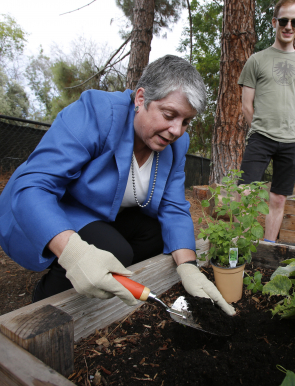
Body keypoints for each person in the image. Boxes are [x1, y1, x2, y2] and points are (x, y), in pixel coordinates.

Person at [0, 55, 235, 315]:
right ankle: (45, 302)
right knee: (114, 248)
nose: (177, 130)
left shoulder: (177, 144)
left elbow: (173, 207)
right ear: (141, 99)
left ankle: (102, 283)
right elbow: (33, 186)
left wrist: (188, 265)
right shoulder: (97, 112)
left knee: (156, 234)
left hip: (103, 216)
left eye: (186, 121)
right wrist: (74, 253)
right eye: (169, 115)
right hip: (50, 208)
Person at [237, 0, 295, 243]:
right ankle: (242, 248)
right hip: (260, 137)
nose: (288, 26)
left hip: (291, 141)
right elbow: (246, 104)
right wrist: (261, 128)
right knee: (243, 193)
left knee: (279, 198)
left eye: (294, 21)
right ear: (274, 22)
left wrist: (286, 127)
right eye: (283, 20)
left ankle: (268, 247)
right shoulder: (256, 60)